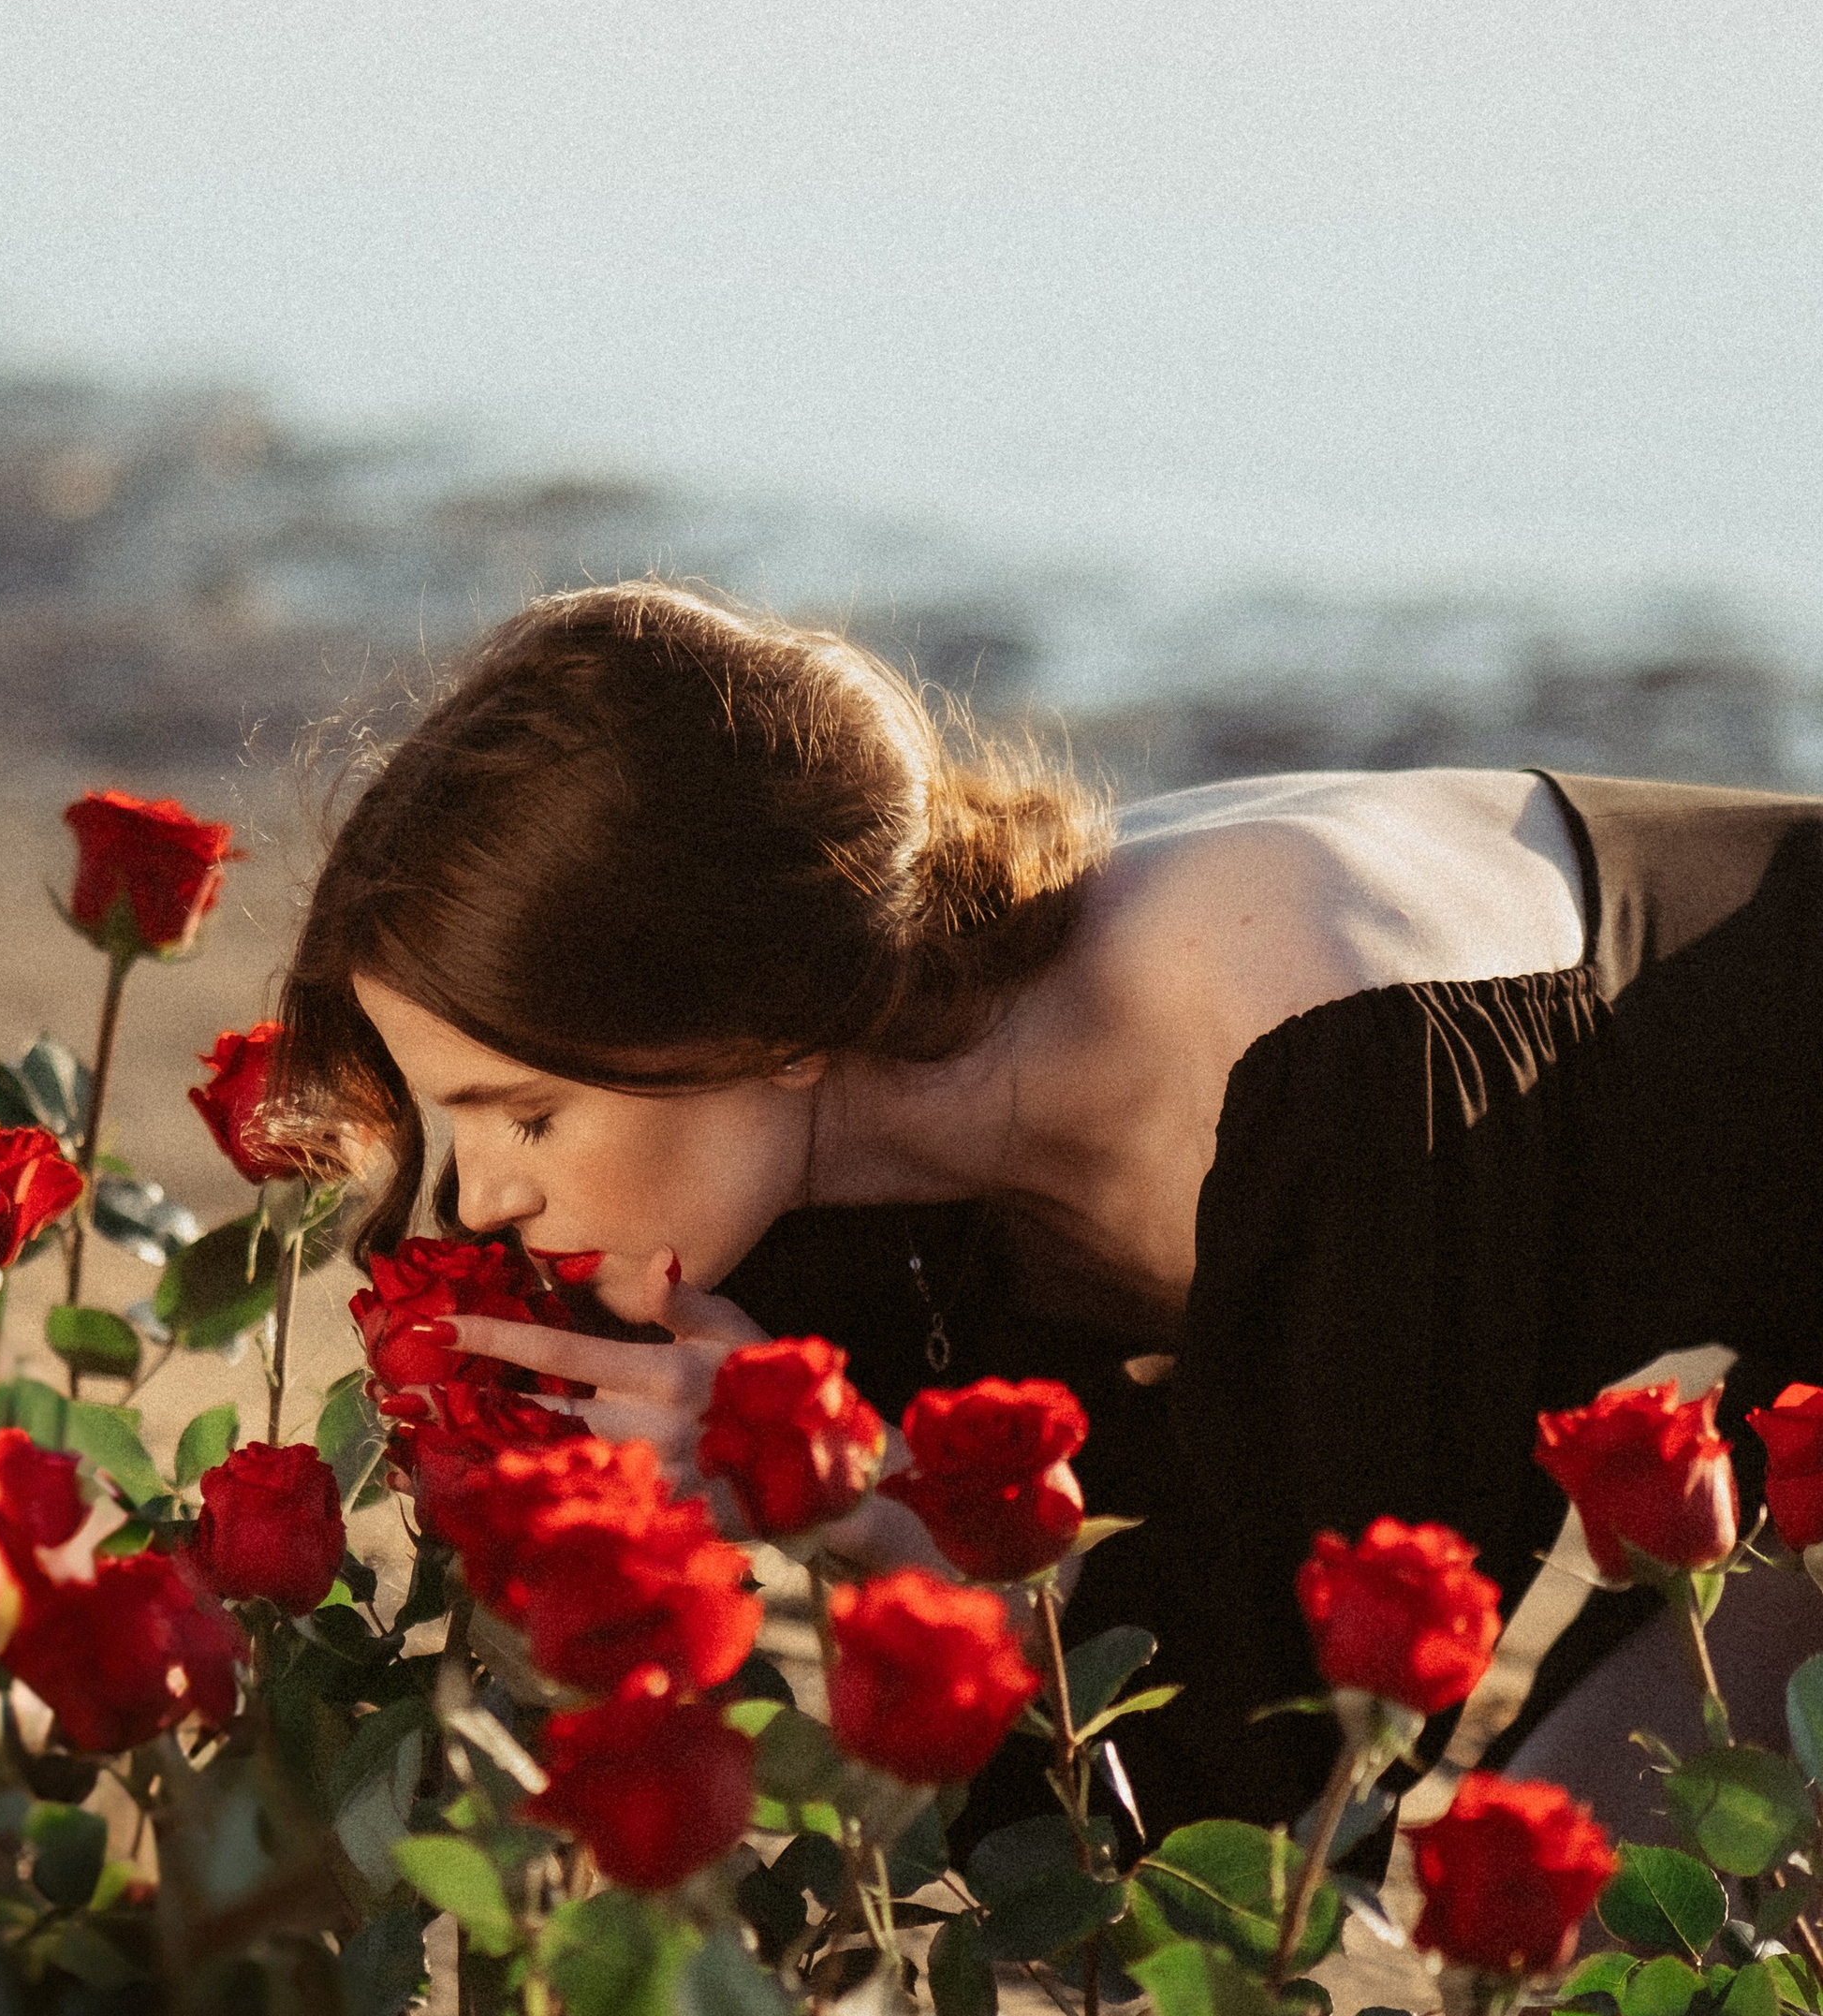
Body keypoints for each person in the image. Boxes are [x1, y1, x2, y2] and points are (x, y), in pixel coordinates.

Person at [275, 579, 1823, 1842]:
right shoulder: (852, 1128)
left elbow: (1300, 1751)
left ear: (777, 1021)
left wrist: (855, 1505)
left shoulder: (1312, 1045)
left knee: (1591, 1934)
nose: (483, 1191)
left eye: (529, 1115)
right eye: (447, 1119)